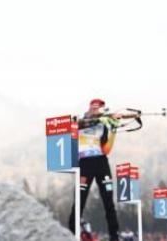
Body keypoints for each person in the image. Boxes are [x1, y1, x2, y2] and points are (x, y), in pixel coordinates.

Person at [69, 98, 121, 241]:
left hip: (101, 163)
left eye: (99, 108)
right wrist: (93, 120)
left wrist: (113, 129)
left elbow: (106, 150)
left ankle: (114, 236)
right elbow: (72, 127)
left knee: (108, 201)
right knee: (79, 201)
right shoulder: (79, 121)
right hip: (85, 164)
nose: (95, 110)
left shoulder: (103, 124)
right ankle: (71, 234)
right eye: (93, 108)